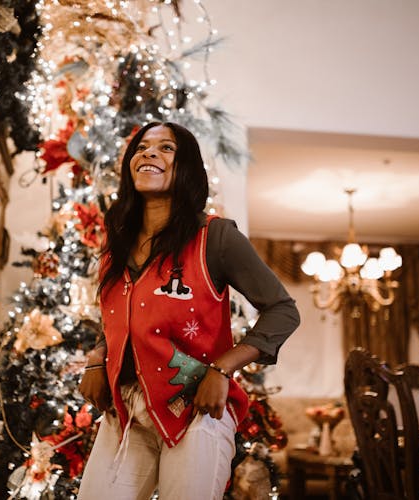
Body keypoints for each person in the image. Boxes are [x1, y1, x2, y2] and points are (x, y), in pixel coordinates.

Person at [77, 122, 300, 500]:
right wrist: (98, 358)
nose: (149, 153)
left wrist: (223, 367)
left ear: (188, 169)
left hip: (198, 412)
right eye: (142, 147)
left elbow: (282, 309)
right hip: (127, 410)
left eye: (166, 148)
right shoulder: (114, 246)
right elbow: (122, 319)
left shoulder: (216, 238)